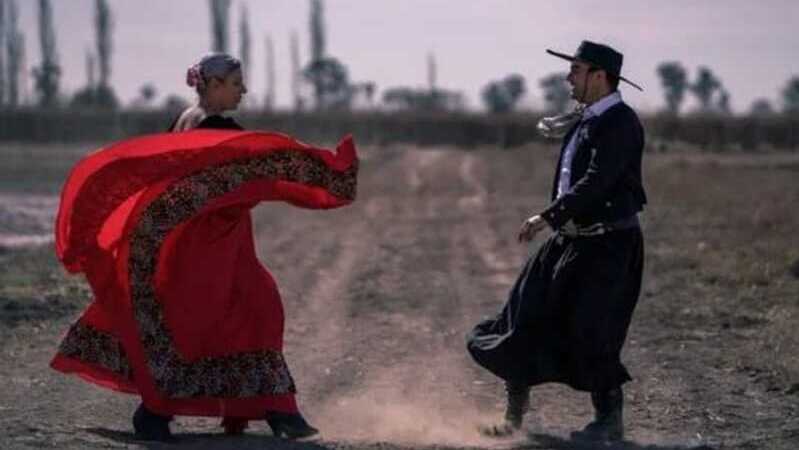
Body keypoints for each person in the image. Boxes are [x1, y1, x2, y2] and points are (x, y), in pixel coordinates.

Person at [50, 53, 359, 441]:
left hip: (199, 241)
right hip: (207, 246)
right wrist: (333, 173)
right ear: (212, 85)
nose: (243, 90)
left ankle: (268, 410)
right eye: (236, 83)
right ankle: (177, 411)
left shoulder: (184, 120)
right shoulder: (215, 129)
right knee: (229, 315)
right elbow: (262, 170)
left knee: (237, 311)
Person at [467, 40, 647, 442]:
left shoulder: (621, 123)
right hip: (569, 241)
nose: (568, 77)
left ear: (599, 76)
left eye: (576, 70)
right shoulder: (586, 119)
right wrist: (557, 221)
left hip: (608, 245)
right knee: (522, 317)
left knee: (592, 329)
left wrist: (547, 216)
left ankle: (608, 422)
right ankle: (513, 420)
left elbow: (598, 180)